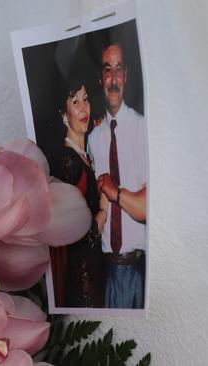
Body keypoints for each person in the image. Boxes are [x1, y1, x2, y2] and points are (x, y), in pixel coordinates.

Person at [88, 42, 147, 309]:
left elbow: (146, 208)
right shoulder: (94, 139)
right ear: (100, 79)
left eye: (119, 70)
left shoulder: (142, 128)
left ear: (127, 76)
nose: (113, 79)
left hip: (137, 272)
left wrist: (117, 192)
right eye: (107, 70)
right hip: (106, 273)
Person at [51, 70, 107, 308]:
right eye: (75, 102)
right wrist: (103, 210)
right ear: (64, 114)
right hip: (82, 277)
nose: (84, 108)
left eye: (86, 99)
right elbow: (78, 236)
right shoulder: (67, 162)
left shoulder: (84, 155)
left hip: (96, 270)